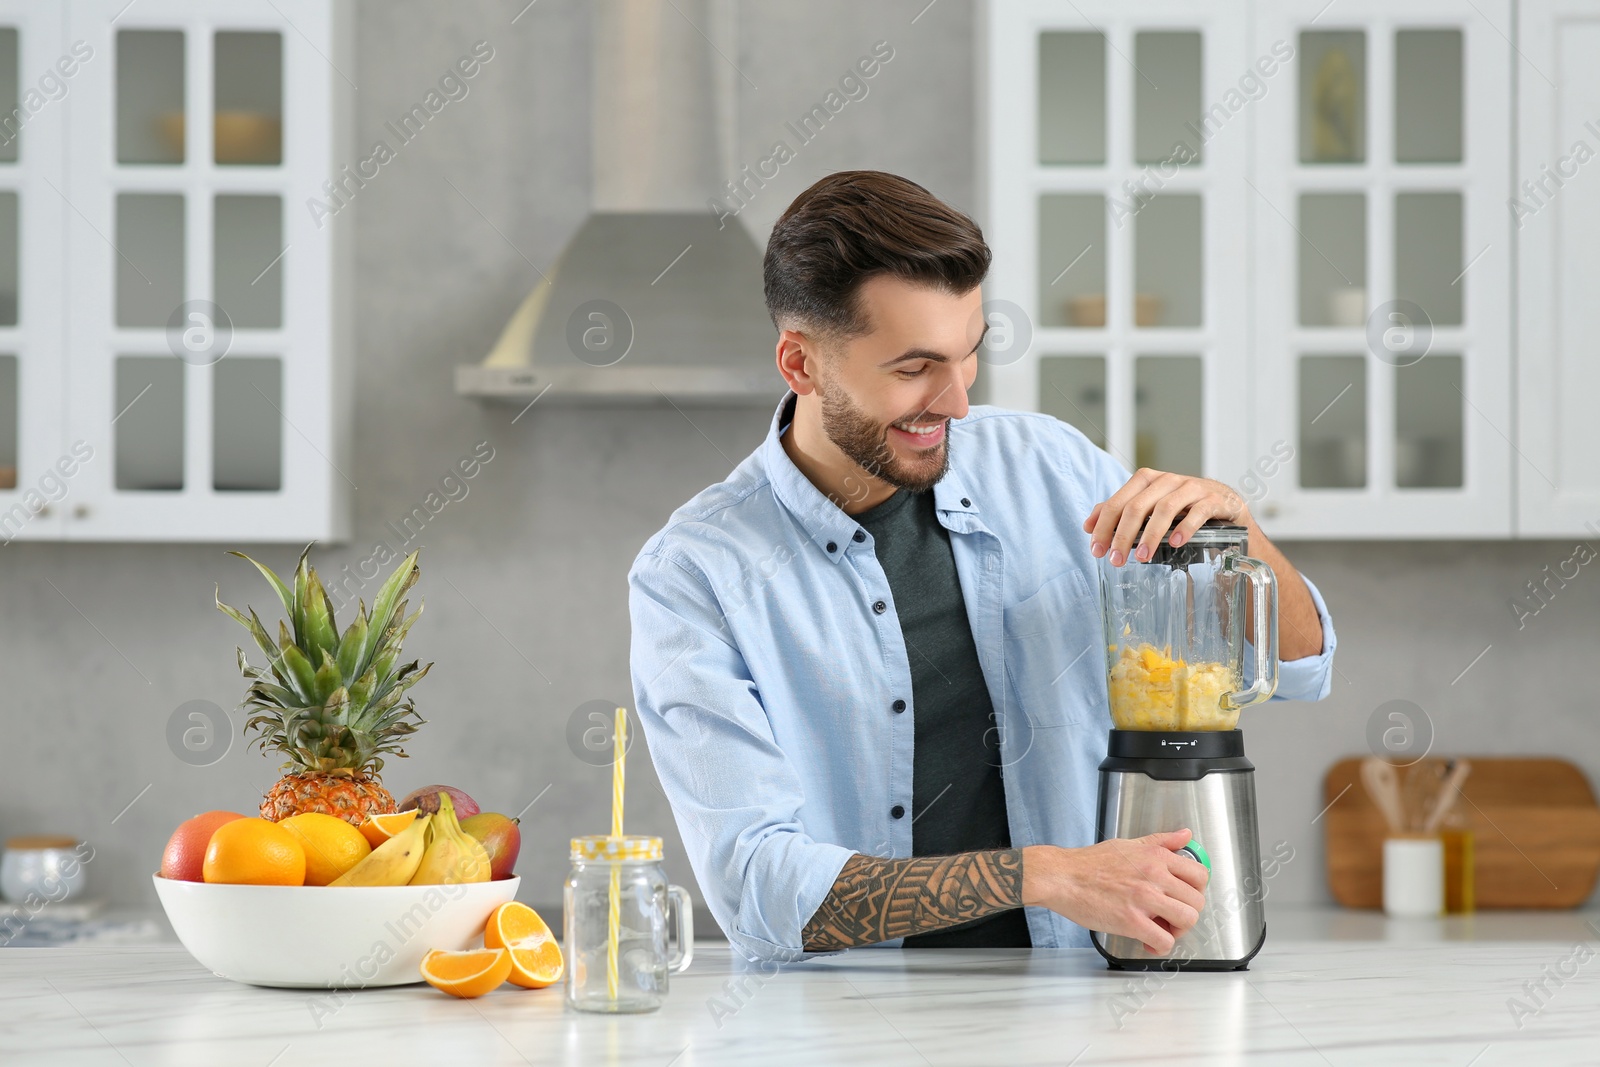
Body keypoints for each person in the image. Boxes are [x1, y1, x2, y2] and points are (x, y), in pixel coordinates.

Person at [628, 171, 1336, 962]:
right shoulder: (695, 574)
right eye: (913, 369)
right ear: (801, 365)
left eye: (969, 357)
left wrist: (1237, 527)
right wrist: (1045, 876)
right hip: (844, 1028)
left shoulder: (1052, 465)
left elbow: (1300, 662)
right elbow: (756, 887)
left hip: (1091, 1003)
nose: (958, 402)